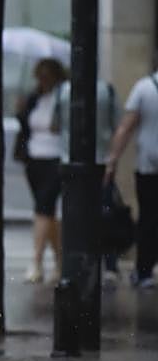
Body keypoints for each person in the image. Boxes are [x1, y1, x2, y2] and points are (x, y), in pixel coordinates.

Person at [55, 77, 119, 282]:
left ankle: (73, 262)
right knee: (104, 214)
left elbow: (54, 124)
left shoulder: (62, 91)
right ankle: (109, 263)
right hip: (102, 160)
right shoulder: (107, 91)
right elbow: (117, 125)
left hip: (69, 160)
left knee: (72, 215)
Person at [105, 50, 158, 290]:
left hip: (149, 165)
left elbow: (126, 128)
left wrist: (113, 159)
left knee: (148, 217)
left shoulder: (145, 88)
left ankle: (144, 270)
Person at [16, 58, 67, 283]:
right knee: (48, 214)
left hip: (55, 158)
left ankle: (36, 262)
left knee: (42, 209)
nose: (43, 80)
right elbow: (25, 126)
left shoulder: (63, 98)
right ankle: (59, 259)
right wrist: (20, 109)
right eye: (40, 76)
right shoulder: (34, 99)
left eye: (47, 76)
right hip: (34, 159)